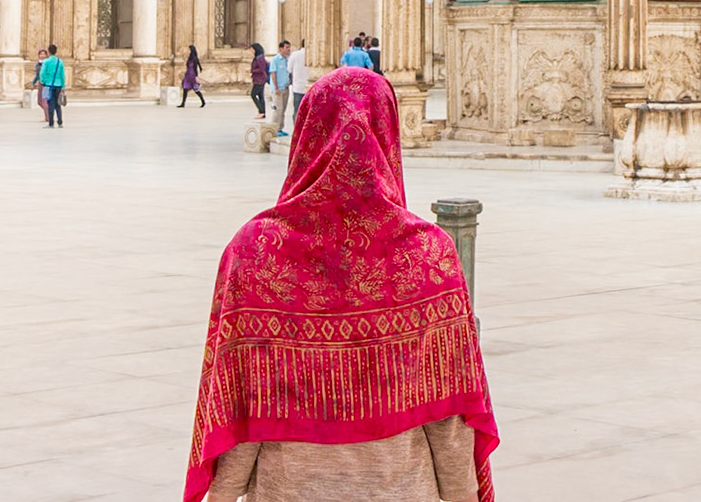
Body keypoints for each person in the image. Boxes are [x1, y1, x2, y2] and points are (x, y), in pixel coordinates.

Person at [185, 67, 497, 502]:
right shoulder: (428, 253)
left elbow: (241, 407)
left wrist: (219, 496)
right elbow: (450, 415)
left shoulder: (256, 250)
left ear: (308, 136)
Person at [37, 44, 66, 127]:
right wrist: (63, 86)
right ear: (56, 52)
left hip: (49, 85)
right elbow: (62, 75)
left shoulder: (46, 62)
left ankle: (51, 123)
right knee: (58, 105)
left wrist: (43, 81)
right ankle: (60, 122)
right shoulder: (60, 62)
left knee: (50, 104)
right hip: (59, 85)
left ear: (49, 52)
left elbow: (42, 73)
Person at [269, 41, 293, 137]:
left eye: (289, 47)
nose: (288, 49)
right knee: (277, 109)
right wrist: (276, 88)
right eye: (286, 47)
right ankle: (274, 128)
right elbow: (273, 74)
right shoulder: (275, 60)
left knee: (283, 109)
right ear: (280, 49)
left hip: (285, 87)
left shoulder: (287, 60)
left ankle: (280, 128)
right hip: (278, 88)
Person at [288, 44, 310, 121]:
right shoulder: (313, 55)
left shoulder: (295, 55)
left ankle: (297, 130)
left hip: (298, 86)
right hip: (310, 86)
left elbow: (289, 69)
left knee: (297, 110)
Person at [247, 43, 269, 119]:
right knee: (260, 96)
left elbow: (262, 68)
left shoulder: (260, 58)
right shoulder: (257, 57)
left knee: (253, 94)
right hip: (258, 79)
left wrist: (252, 71)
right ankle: (262, 112)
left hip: (260, 80)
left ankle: (261, 111)